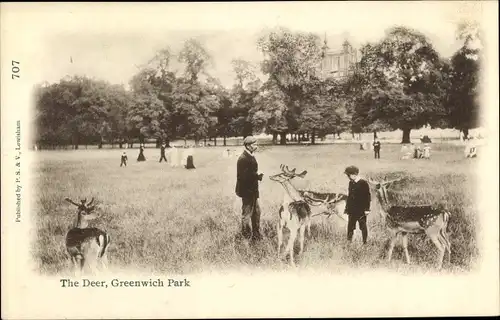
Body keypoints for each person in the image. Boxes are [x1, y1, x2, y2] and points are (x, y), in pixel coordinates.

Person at [235, 136, 264, 242]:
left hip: (252, 191)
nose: (256, 146)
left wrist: (256, 176)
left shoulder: (250, 156)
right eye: (254, 144)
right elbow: (243, 178)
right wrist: (257, 176)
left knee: (257, 212)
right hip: (247, 192)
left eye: (256, 143)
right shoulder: (243, 158)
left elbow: (250, 173)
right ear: (248, 146)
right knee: (247, 214)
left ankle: (256, 235)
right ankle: (245, 237)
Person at [343, 166, 371, 244]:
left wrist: (367, 209)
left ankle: (365, 242)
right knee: (350, 227)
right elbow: (349, 196)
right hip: (352, 210)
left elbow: (367, 197)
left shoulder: (363, 183)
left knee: (363, 226)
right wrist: (347, 208)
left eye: (348, 175)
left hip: (361, 210)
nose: (348, 177)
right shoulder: (351, 183)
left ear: (354, 174)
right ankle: (349, 242)